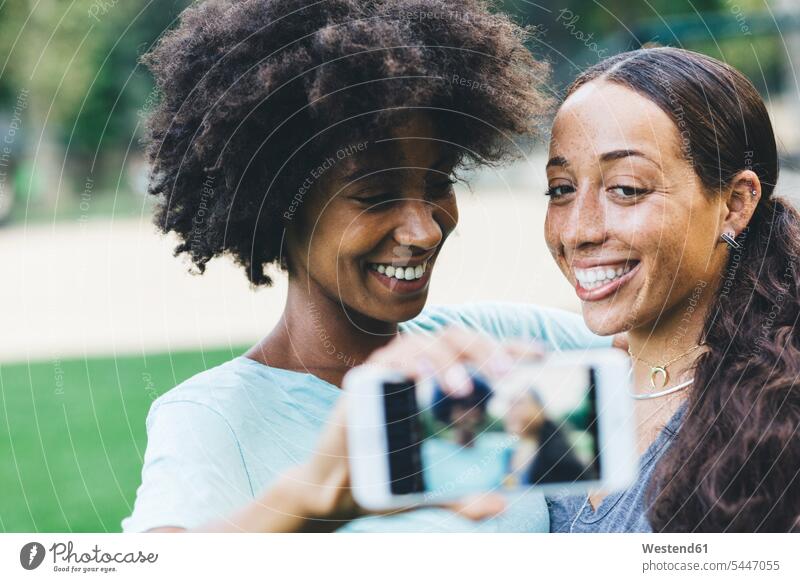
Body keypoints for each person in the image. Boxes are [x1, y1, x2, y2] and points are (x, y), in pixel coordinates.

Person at [238, 46, 800, 533]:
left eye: (626, 189)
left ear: (736, 201)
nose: (579, 230)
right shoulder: (560, 392)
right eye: (560, 189)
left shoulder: (780, 414)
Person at [122, 0, 611, 534]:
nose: (423, 229)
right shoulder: (212, 417)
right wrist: (308, 501)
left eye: (437, 183)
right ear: (274, 205)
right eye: (376, 195)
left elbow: (689, 366)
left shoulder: (501, 347)